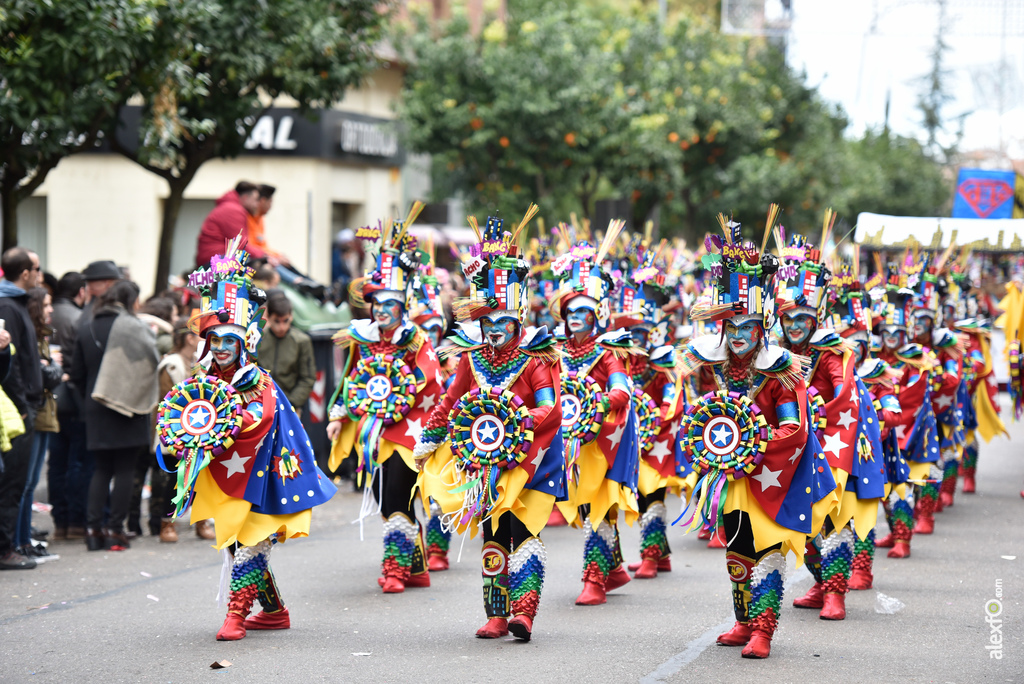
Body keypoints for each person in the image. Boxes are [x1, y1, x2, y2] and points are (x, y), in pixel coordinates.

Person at [676, 212, 837, 659]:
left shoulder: (777, 371)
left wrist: (754, 444)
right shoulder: (714, 366)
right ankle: (743, 620)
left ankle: (765, 630)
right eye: (733, 328)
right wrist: (712, 438)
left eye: (749, 327)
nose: (741, 335)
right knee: (736, 547)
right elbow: (703, 411)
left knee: (766, 549)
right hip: (728, 476)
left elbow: (794, 427)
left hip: (771, 474)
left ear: (762, 329)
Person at [159, 237, 335, 640]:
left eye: (228, 341)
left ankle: (236, 615)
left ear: (243, 344)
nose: (220, 349)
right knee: (237, 547)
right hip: (223, 478)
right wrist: (174, 436)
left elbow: (258, 419)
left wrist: (220, 429)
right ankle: (274, 611)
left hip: (261, 475)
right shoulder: (201, 383)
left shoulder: (257, 382)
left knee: (251, 542)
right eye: (215, 340)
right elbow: (185, 417)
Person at [415, 208, 566, 642]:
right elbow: (450, 400)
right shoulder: (472, 358)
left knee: (525, 530)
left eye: (502, 321)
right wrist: (430, 437)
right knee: (494, 533)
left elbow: (550, 408)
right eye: (487, 322)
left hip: (532, 460)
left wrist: (516, 422)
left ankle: (525, 612)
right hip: (487, 461)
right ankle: (497, 613)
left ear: (518, 320)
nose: (494, 329)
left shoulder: (537, 358)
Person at [326, 206, 443, 595]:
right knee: (381, 495)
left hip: (407, 431)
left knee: (396, 493)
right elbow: (351, 379)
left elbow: (429, 381)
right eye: (376, 303)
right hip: (371, 431)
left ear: (403, 304)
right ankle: (419, 563)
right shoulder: (362, 337)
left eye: (389, 303)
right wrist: (340, 413)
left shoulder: (416, 340)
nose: (381, 310)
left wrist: (403, 395)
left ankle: (395, 569)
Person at [550, 222, 642, 607]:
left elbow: (623, 389)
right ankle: (614, 567)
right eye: (571, 310)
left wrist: (601, 402)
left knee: (599, 509)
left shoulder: (607, 353)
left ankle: (594, 579)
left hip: (603, 441)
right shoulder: (554, 349)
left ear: (597, 315)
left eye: (584, 311)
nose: (575, 317)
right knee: (588, 507)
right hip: (568, 444)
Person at [71, 280, 159, 552]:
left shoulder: (87, 328)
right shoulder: (135, 327)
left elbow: (76, 375)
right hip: (129, 405)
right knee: (124, 469)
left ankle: (93, 530)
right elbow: (152, 364)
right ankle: (115, 530)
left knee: (101, 468)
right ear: (131, 300)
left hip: (95, 406)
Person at [0, 247, 44, 570]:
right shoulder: (9, 305)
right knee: (13, 483)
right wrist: (22, 405)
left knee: (18, 483)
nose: (41, 276)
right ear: (25, 273)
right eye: (37, 269)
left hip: (22, 404)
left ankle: (13, 543)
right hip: (16, 409)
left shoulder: (15, 303)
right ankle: (6, 549)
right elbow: (10, 359)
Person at [152, 318, 214, 542]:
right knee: (176, 480)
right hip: (177, 432)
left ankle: (201, 520)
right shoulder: (173, 365)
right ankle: (167, 524)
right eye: (200, 336)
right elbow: (167, 401)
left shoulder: (199, 363)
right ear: (190, 338)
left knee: (201, 478)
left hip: (201, 430)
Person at [13, 288, 63, 562]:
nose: (50, 310)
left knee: (30, 483)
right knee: (25, 483)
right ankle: (19, 542)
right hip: (37, 410)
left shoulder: (41, 334)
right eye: (46, 305)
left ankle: (23, 540)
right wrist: (52, 368)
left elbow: (50, 371)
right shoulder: (31, 336)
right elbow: (45, 373)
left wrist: (51, 369)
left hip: (44, 411)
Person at [47, 271, 90, 541]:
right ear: (81, 292)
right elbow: (79, 365)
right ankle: (75, 521)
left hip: (51, 399)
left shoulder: (48, 314)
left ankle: (60, 521)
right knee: (77, 462)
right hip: (74, 400)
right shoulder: (79, 319)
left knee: (56, 463)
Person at [259, 294, 315, 412]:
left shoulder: (301, 341)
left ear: (291, 316)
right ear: (268, 317)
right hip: (260, 404)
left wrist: (291, 403)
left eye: (286, 321)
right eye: (277, 321)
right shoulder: (258, 338)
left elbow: (308, 377)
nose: (282, 327)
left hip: (291, 405)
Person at [195, 181, 260, 269]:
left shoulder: (230, 207)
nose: (256, 204)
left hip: (215, 258)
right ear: (245, 198)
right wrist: (265, 256)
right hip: (216, 259)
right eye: (255, 200)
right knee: (263, 267)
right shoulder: (233, 210)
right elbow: (241, 245)